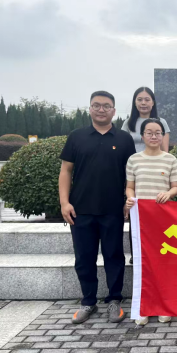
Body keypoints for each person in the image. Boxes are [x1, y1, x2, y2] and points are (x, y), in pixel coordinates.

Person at [59, 91, 136, 324]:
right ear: (90, 108)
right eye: (96, 105)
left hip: (113, 210)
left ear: (114, 111)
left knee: (114, 256)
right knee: (84, 258)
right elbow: (66, 171)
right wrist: (64, 202)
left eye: (106, 106)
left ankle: (115, 300)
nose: (101, 110)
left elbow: (131, 176)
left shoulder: (124, 139)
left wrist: (128, 201)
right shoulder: (77, 136)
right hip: (80, 210)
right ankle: (88, 302)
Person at [124, 118, 177, 326]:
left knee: (163, 263)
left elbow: (176, 187)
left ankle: (163, 305)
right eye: (149, 132)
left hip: (163, 220)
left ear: (163, 136)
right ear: (143, 136)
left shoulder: (170, 160)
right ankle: (144, 307)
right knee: (142, 263)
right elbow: (130, 187)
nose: (154, 136)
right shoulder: (133, 160)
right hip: (141, 220)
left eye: (158, 133)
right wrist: (130, 199)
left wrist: (169, 193)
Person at [121, 86, 171, 264]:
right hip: (135, 170)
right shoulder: (128, 123)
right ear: (135, 102)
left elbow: (165, 149)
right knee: (135, 214)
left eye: (147, 99)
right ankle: (136, 253)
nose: (143, 103)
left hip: (156, 171)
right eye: (140, 99)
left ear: (153, 102)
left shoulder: (162, 122)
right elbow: (123, 149)